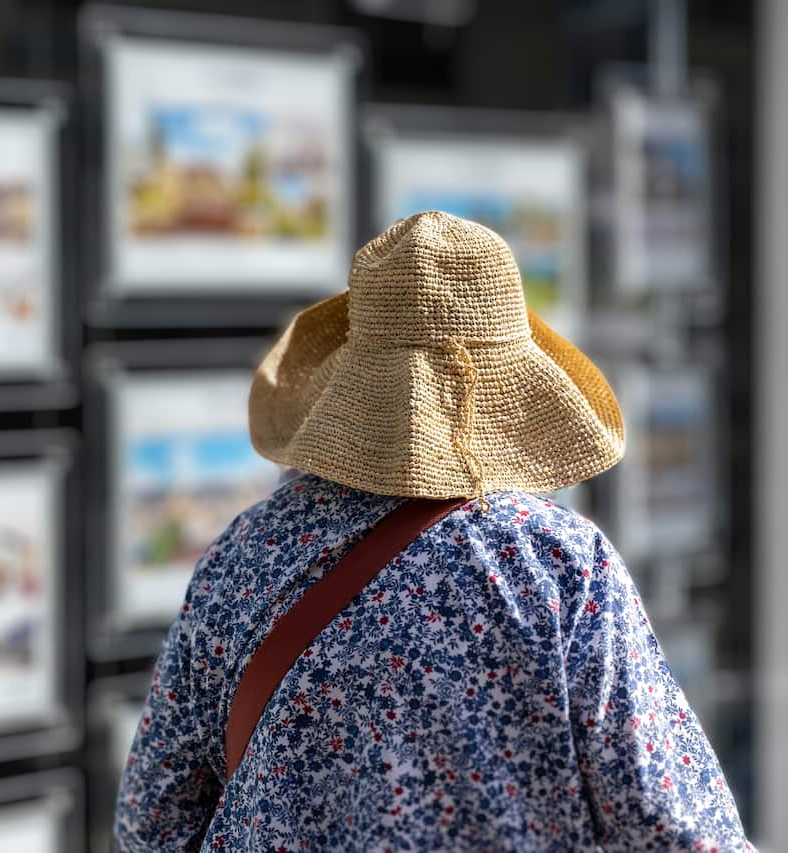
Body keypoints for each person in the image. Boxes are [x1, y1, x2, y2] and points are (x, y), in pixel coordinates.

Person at [115, 211, 753, 851]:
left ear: (351, 382)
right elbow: (675, 828)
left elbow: (152, 823)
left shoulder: (246, 555)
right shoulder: (559, 566)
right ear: (512, 383)